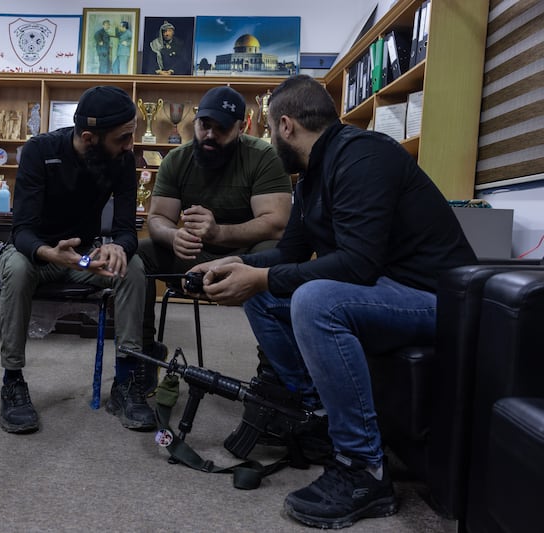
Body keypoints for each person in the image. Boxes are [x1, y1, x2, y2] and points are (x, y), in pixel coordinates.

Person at [188, 75, 477, 529]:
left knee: (315, 301)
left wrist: (262, 276)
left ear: (285, 126)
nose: (267, 138)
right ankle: (317, 416)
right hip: (385, 292)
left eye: (267, 129)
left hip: (437, 299)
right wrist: (234, 263)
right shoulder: (310, 180)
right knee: (266, 297)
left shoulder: (365, 155)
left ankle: (365, 468)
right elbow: (288, 255)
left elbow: (359, 265)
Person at [0, 86, 156, 435]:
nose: (131, 145)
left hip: (83, 257)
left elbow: (128, 228)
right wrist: (49, 253)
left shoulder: (124, 160)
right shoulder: (40, 150)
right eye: (123, 138)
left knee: (134, 268)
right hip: (35, 252)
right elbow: (21, 231)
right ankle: (12, 381)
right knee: (19, 269)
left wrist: (120, 249)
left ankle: (126, 382)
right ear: (89, 137)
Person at [137, 86, 292, 354]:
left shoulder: (263, 157)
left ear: (241, 127)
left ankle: (273, 371)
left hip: (245, 259)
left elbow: (277, 224)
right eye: (204, 125)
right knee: (138, 254)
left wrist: (218, 232)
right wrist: (175, 236)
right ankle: (143, 354)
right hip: (193, 256)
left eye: (221, 128)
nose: (210, 134)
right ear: (195, 121)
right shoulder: (176, 160)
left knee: (279, 253)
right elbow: (158, 218)